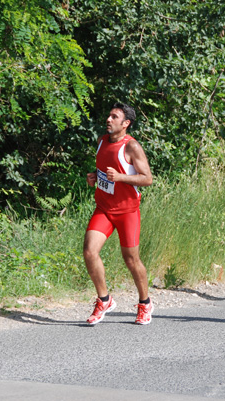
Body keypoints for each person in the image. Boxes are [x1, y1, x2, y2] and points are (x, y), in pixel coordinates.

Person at [84, 103, 154, 325]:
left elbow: (147, 179)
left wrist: (121, 178)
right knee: (89, 251)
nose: (108, 119)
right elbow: (105, 168)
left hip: (127, 212)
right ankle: (104, 300)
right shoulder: (102, 141)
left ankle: (145, 303)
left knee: (131, 260)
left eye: (114, 117)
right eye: (109, 115)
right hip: (104, 208)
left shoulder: (132, 146)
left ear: (126, 124)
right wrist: (95, 176)